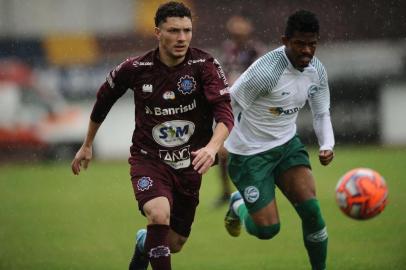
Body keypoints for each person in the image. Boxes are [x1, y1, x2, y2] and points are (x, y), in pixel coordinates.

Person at [71, 2, 234, 270]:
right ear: (158, 32)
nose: (182, 38)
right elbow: (104, 99)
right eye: (174, 31)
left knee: (174, 243)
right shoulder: (136, 68)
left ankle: (143, 243)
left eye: (187, 30)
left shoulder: (205, 65)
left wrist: (212, 148)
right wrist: (87, 144)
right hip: (150, 160)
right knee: (158, 214)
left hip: (190, 163)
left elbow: (225, 113)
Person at [223, 10, 334, 270]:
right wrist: (215, 143)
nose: (307, 50)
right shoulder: (266, 72)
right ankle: (238, 204)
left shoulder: (316, 71)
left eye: (312, 44)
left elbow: (321, 112)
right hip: (250, 154)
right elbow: (228, 104)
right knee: (268, 230)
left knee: (312, 212)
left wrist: (327, 144)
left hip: (286, 146)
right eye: (300, 44)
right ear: (285, 40)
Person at [214, 15, 266, 207]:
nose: (236, 28)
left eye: (240, 24)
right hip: (229, 105)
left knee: (253, 151)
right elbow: (220, 72)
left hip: (250, 107)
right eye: (234, 24)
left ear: (248, 27)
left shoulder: (256, 50)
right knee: (222, 151)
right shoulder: (227, 48)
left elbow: (263, 76)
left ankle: (256, 190)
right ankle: (226, 192)